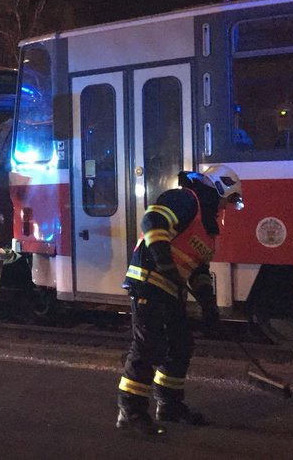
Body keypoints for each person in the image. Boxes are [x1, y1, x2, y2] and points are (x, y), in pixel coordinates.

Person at [116, 165, 244, 435]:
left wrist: (209, 306)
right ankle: (130, 412)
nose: (228, 207)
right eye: (230, 199)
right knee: (148, 346)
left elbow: (197, 270)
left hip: (170, 289)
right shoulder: (186, 199)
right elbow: (152, 221)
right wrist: (164, 262)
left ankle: (169, 406)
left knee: (180, 345)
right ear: (220, 187)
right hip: (149, 282)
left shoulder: (208, 225)